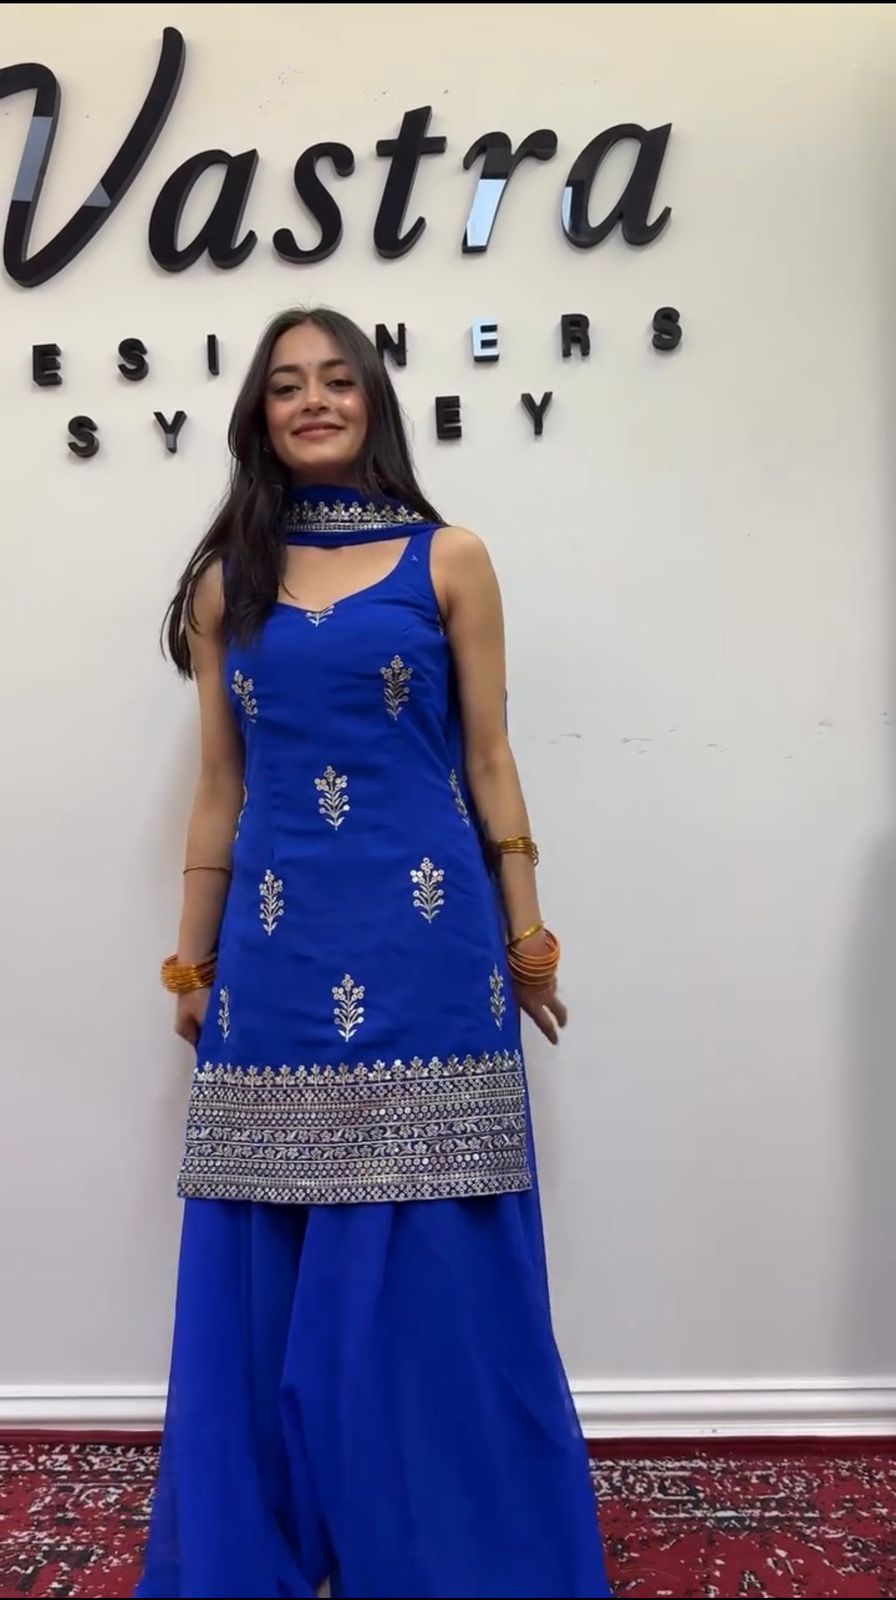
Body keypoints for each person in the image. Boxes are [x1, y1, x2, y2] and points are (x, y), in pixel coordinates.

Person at [136, 307, 611, 1600]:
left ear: (373, 401)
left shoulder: (449, 557)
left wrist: (527, 934)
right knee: (270, 1240)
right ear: (260, 415)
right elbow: (220, 786)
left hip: (427, 939)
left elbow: (489, 755)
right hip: (278, 950)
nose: (313, 401)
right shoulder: (228, 580)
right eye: (287, 385)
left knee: (435, 1243)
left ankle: (440, 1541)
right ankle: (281, 1542)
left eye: (337, 380)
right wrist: (191, 962)